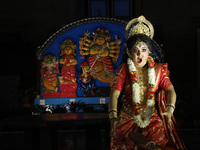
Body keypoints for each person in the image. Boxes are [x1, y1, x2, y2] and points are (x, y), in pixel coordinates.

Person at [108, 16, 186, 150]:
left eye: (143, 50)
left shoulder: (158, 69)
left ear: (149, 52)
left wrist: (169, 109)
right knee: (122, 141)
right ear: (129, 52)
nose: (140, 55)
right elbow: (114, 94)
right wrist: (113, 117)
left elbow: (170, 90)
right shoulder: (124, 69)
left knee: (158, 138)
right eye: (135, 51)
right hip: (127, 115)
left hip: (151, 116)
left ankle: (149, 145)